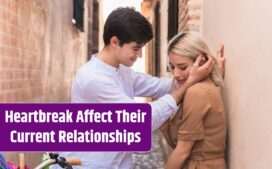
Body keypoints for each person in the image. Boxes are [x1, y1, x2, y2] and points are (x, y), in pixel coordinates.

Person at [53, 7, 216, 169]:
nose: (140, 55)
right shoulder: (94, 78)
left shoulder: (121, 71)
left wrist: (199, 72)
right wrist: (188, 83)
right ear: (115, 42)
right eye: (136, 48)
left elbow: (160, 86)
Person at [160, 31, 227, 169]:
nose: (176, 74)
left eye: (182, 67)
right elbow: (180, 146)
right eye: (172, 67)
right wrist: (165, 128)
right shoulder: (201, 89)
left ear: (201, 61)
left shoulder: (196, 93)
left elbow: (182, 152)